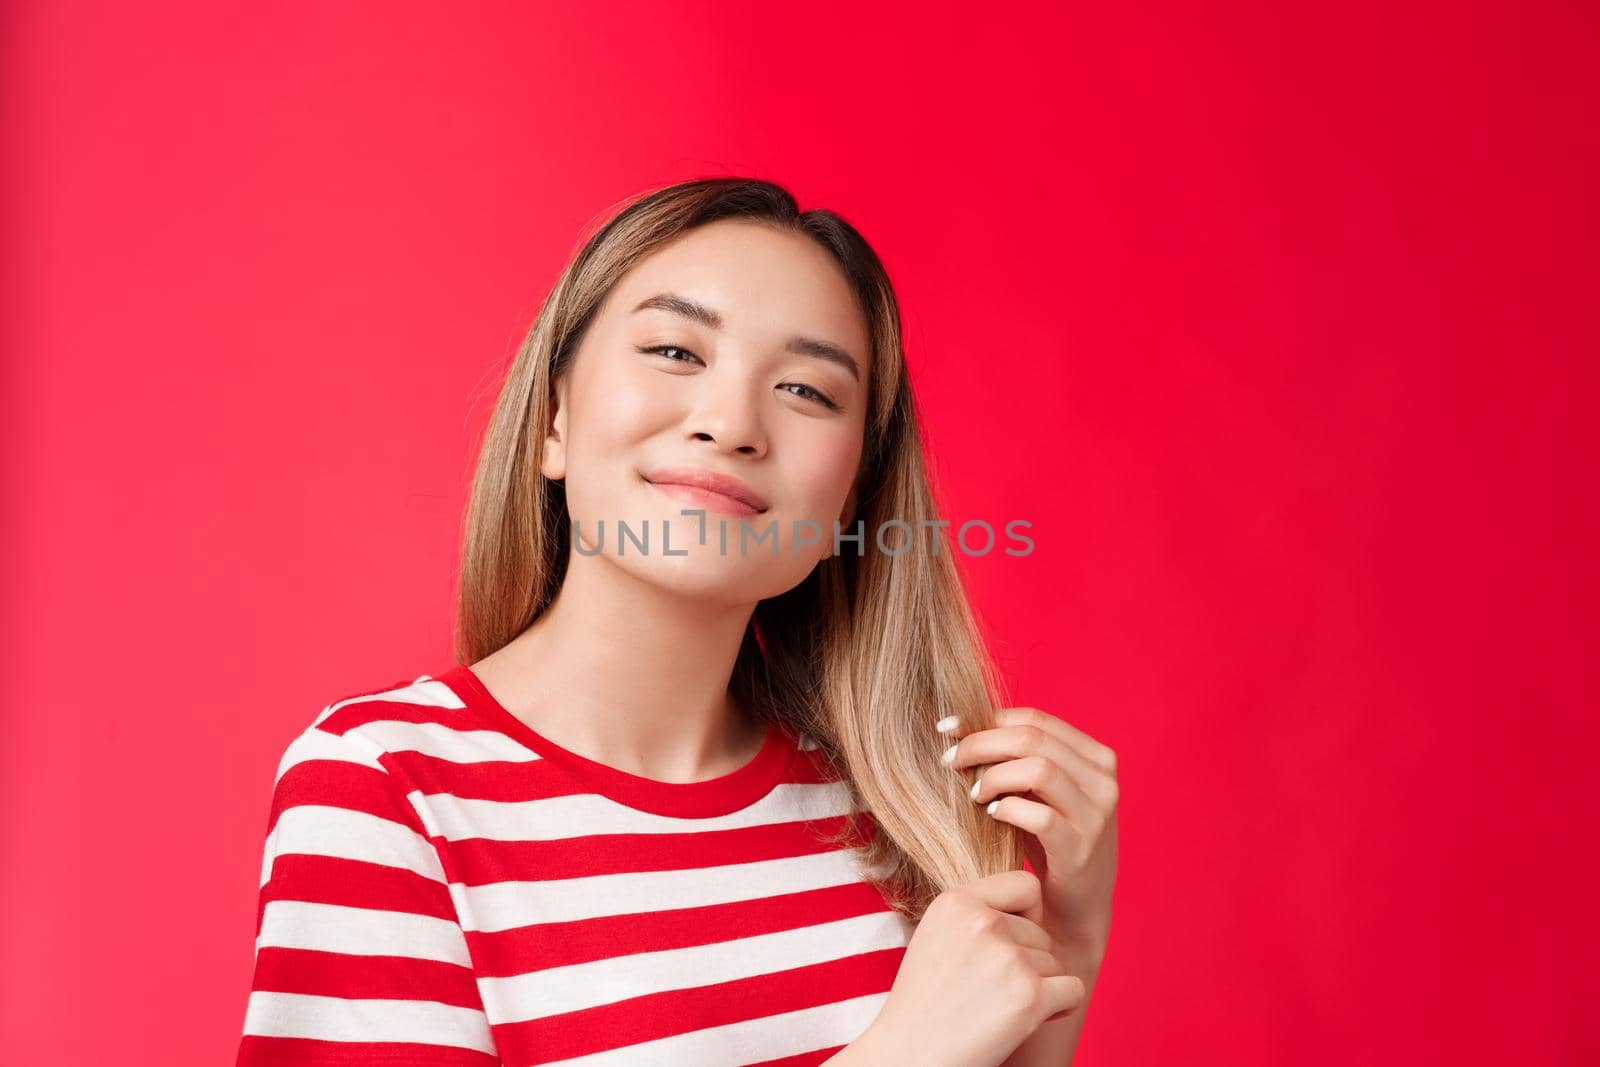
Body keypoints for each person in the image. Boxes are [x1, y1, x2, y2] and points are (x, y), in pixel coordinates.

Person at [235, 178, 1118, 1066]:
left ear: (850, 503)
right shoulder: (386, 783)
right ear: (553, 419)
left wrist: (1071, 940)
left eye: (808, 391)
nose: (733, 424)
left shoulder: (891, 815)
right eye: (673, 350)